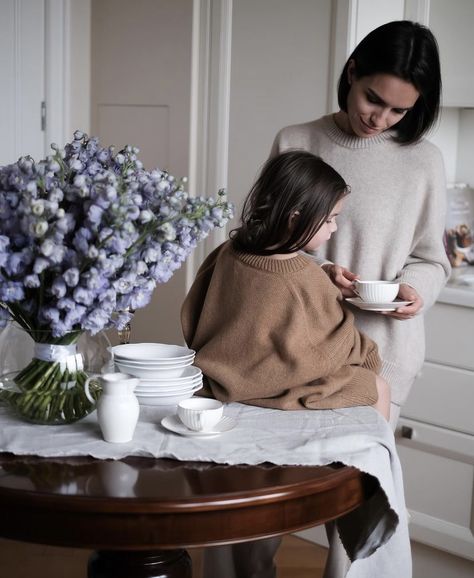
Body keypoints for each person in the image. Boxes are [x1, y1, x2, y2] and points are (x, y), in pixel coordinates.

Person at [271, 20, 451, 430]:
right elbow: (264, 243)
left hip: (383, 355)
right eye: (374, 99)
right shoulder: (295, 143)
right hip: (294, 350)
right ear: (352, 73)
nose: (380, 118)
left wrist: (414, 290)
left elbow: (432, 260)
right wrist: (321, 272)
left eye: (399, 110)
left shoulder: (424, 162)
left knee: (361, 486)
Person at [181, 150, 390, 420]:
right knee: (378, 387)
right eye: (329, 219)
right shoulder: (306, 278)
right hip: (284, 388)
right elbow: (338, 346)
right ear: (295, 218)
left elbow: (193, 313)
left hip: (217, 378)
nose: (334, 228)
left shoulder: (225, 253)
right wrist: (371, 358)